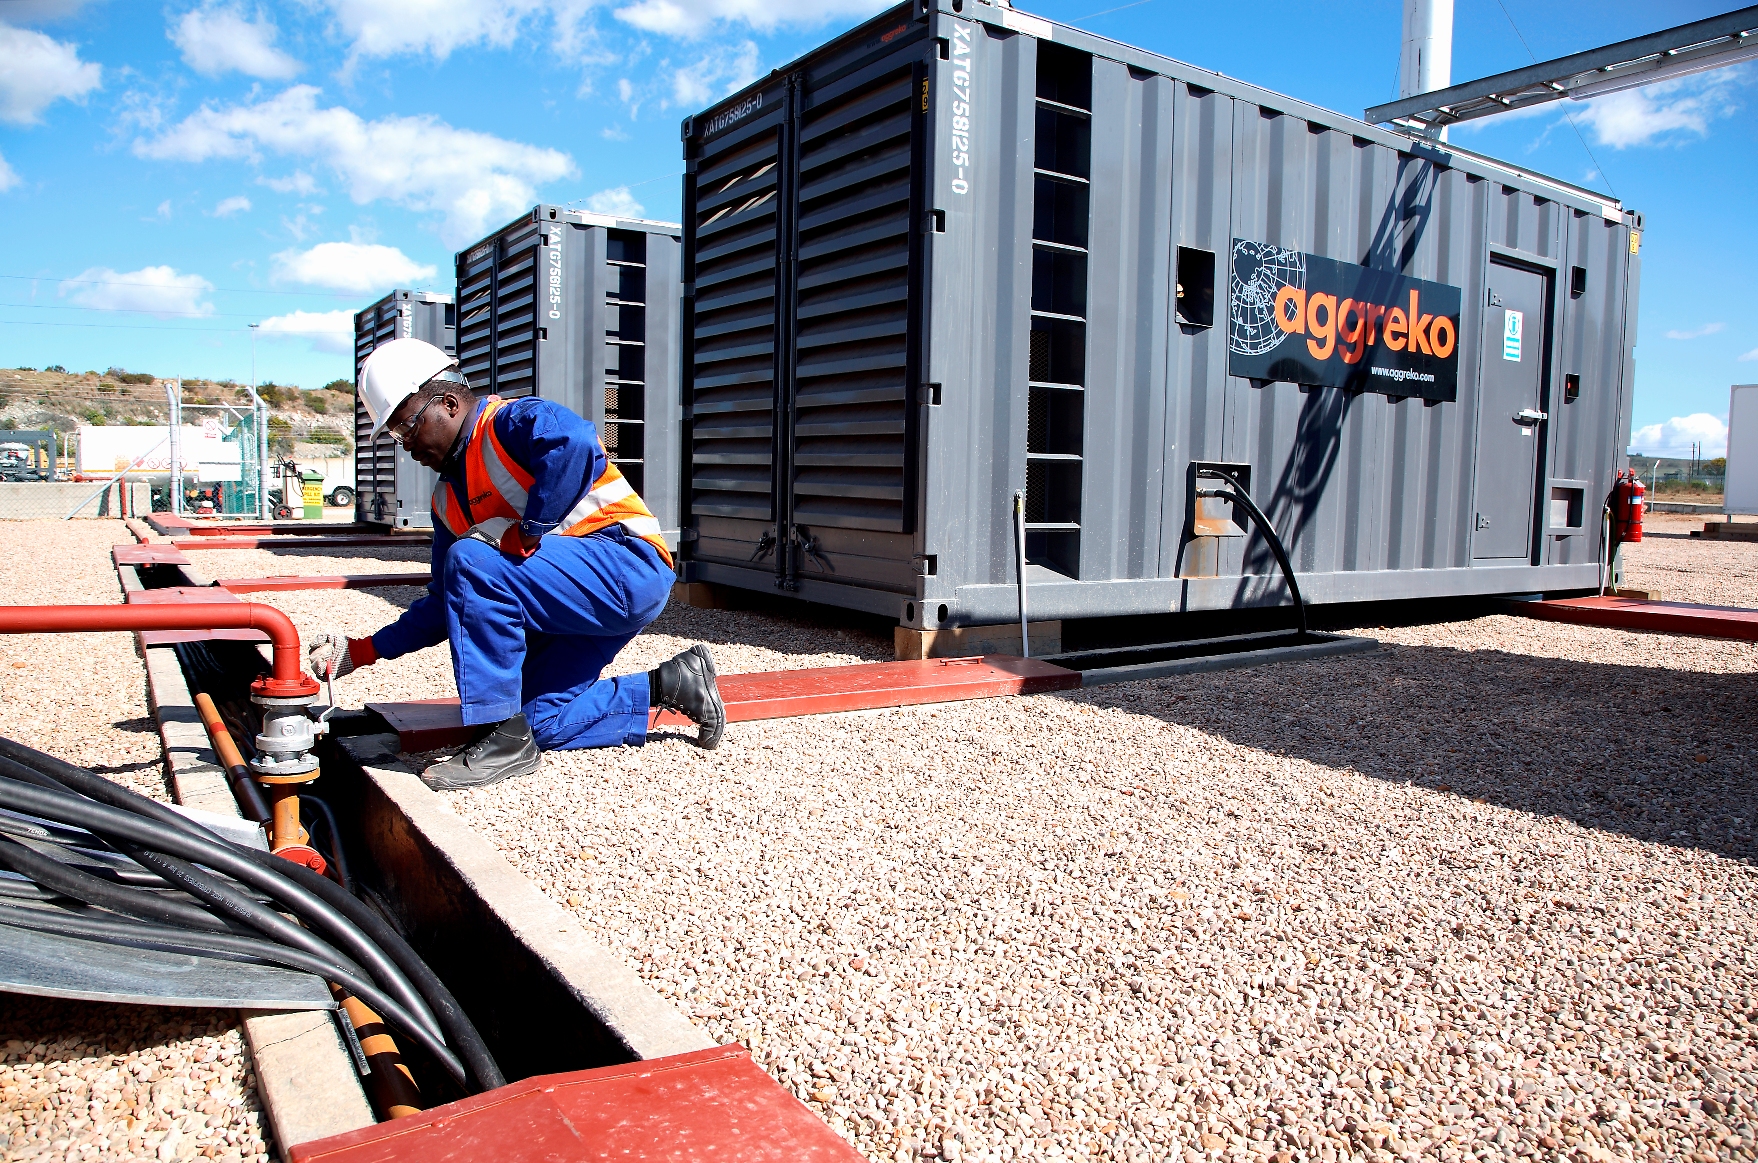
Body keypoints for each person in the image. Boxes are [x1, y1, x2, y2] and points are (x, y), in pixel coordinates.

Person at [308, 338, 724, 789]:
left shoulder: (508, 422)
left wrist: (528, 531)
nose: (406, 445)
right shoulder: (448, 499)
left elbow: (575, 442)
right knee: (538, 720)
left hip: (626, 567)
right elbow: (450, 599)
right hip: (570, 604)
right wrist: (364, 650)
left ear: (447, 403)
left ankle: (500, 739)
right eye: (395, 434)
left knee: (473, 557)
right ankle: (670, 685)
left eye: (407, 426)